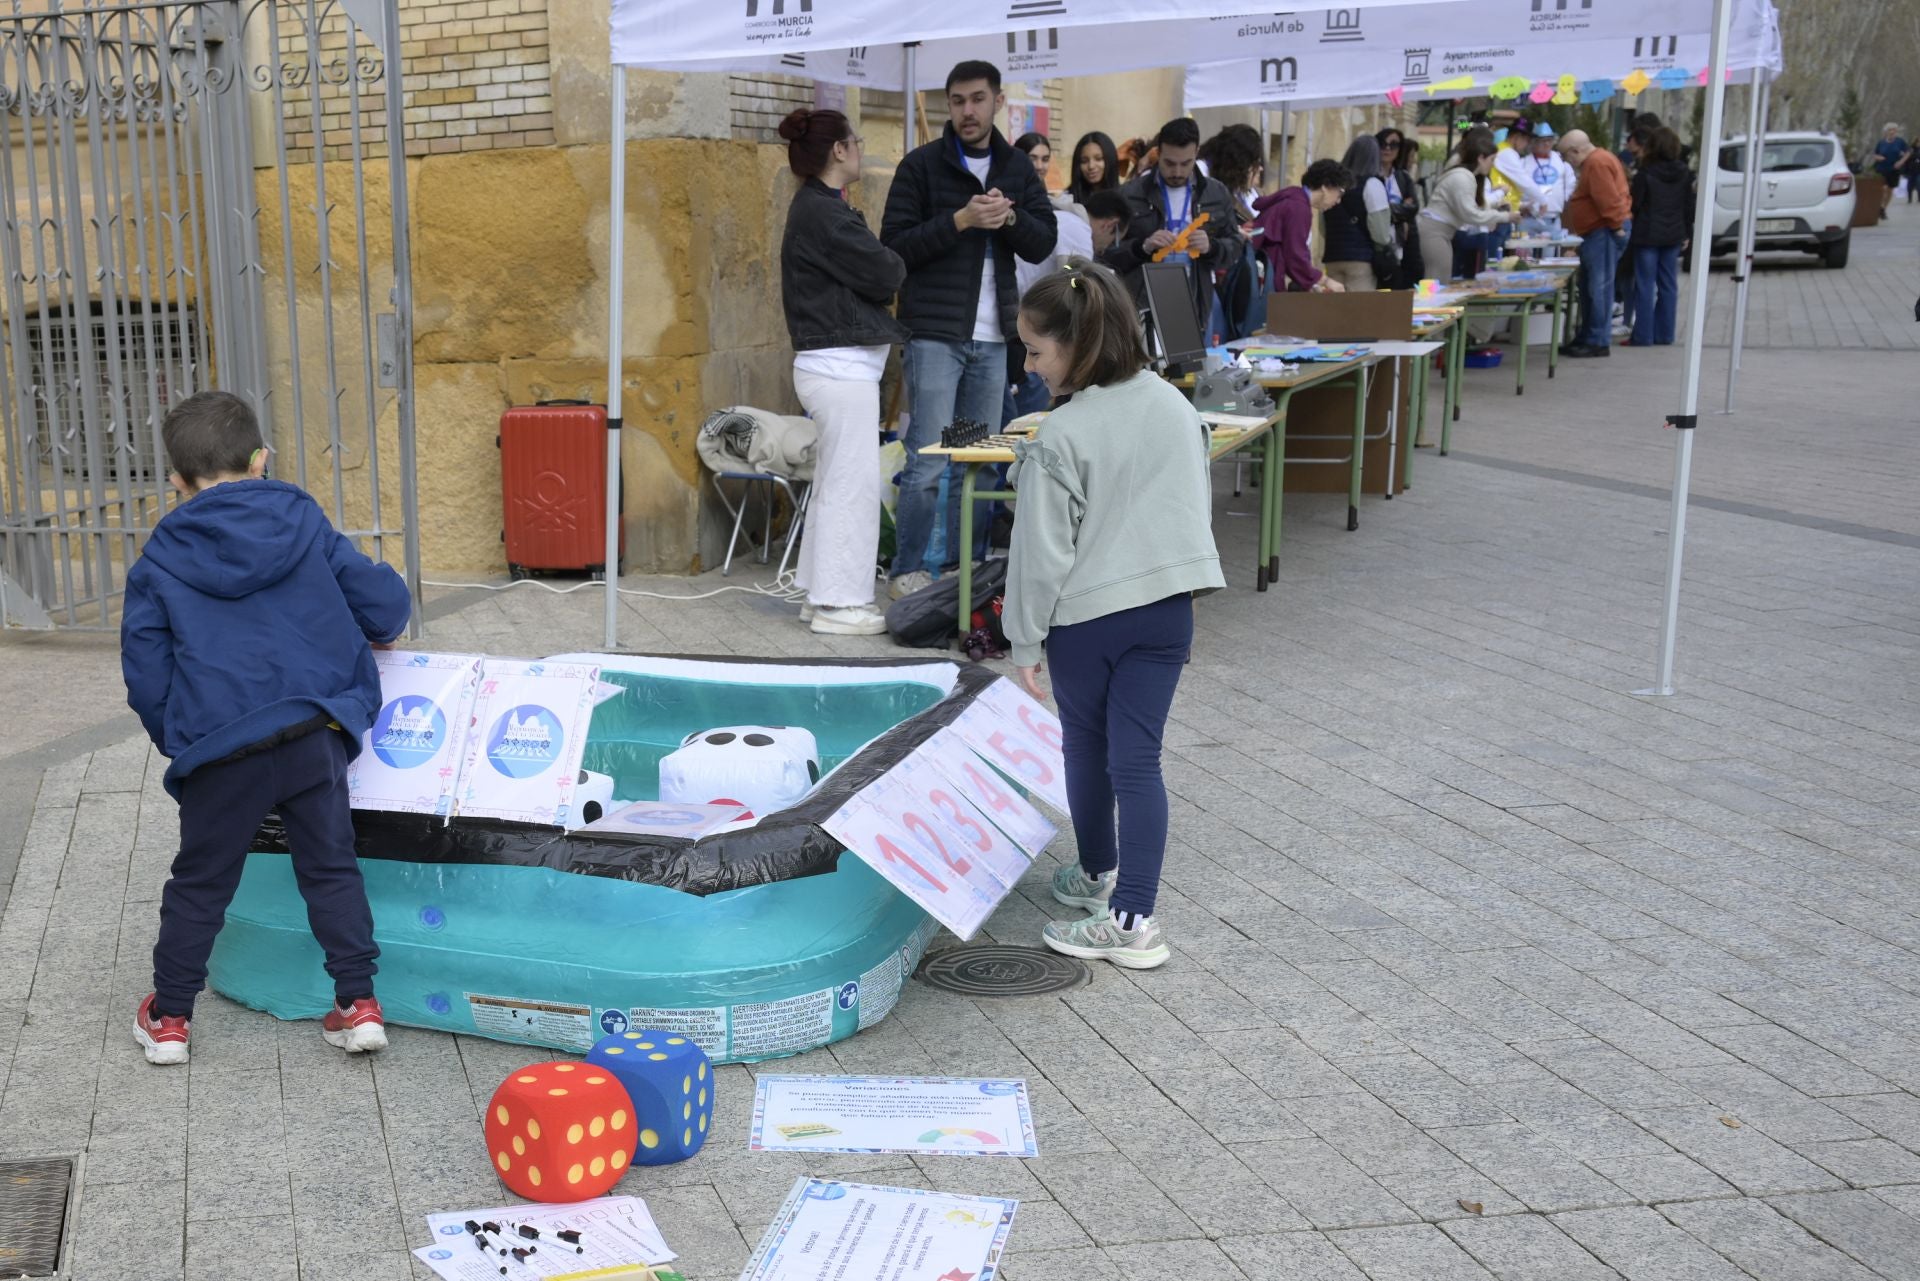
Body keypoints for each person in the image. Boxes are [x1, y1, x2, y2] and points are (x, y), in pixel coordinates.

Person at [122, 390, 412, 1065]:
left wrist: (184, 736)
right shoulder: (302, 519)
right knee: (331, 865)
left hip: (221, 747)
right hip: (314, 729)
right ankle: (358, 1002)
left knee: (201, 881)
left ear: (176, 480)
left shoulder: (158, 560)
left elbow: (145, 672)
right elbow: (383, 608)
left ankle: (169, 1018)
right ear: (261, 459)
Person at [1004, 258, 1225, 970]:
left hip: (1088, 622)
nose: (1031, 365)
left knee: (1085, 749)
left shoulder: (1061, 436)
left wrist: (1023, 640)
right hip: (1168, 613)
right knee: (1139, 761)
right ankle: (1122, 900)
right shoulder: (1175, 406)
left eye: (1037, 350)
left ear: (1078, 344)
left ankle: (1116, 900)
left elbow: (1041, 554)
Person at [880, 60, 1057, 598]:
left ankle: (965, 571)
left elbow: (1042, 241)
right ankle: (908, 571)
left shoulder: (1016, 169)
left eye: (977, 99)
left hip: (992, 339)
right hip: (935, 334)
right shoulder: (921, 165)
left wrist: (1009, 219)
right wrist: (960, 220)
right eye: (957, 101)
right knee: (930, 456)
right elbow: (894, 247)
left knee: (976, 462)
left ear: (998, 101)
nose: (967, 111)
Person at [777, 108, 907, 636]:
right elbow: (886, 272)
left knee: (837, 483)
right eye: (854, 141)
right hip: (839, 368)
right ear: (838, 151)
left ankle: (818, 594)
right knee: (851, 487)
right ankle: (839, 604)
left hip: (837, 367)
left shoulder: (821, 207)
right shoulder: (823, 213)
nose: (858, 148)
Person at [1100, 117, 1244, 338]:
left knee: (1194, 371)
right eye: (1169, 163)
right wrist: (1142, 247)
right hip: (1144, 303)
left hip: (1195, 303)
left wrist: (1212, 247)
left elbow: (1234, 246)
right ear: (1158, 153)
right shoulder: (1130, 194)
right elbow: (1106, 253)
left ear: (1196, 153)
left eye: (1185, 163)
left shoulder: (1216, 193)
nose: (1177, 171)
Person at [1010, 131, 1094, 420]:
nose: (1040, 165)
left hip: (1042, 323)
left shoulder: (1061, 215)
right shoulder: (1009, 206)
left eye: (1045, 158)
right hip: (1012, 322)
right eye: (1032, 158)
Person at [1558, 129, 1631, 358]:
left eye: (1566, 156)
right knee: (1591, 287)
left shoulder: (1596, 163)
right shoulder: (1598, 160)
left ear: (1575, 151)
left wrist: (1617, 228)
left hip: (1603, 231)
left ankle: (1597, 340)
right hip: (1599, 231)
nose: (1567, 162)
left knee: (1598, 288)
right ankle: (1587, 336)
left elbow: (1607, 199)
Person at [1417, 132, 1517, 283]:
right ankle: (1426, 306)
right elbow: (1471, 215)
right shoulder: (1462, 178)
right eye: (1492, 159)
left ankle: (1430, 306)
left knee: (1440, 279)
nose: (1493, 164)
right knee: (1435, 280)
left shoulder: (1467, 177)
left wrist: (1498, 205)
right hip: (1434, 231)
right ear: (1480, 158)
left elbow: (1476, 206)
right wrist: (1505, 217)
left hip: (1440, 231)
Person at [1626, 126, 1694, 347]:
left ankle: (1643, 335)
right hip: (1673, 233)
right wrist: (1686, 232)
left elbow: (1636, 204)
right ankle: (1665, 334)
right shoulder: (1684, 172)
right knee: (1669, 285)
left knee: (1645, 285)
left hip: (1647, 233)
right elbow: (1687, 205)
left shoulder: (1645, 174)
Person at [1251, 159, 1353, 293]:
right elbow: (1295, 255)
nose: (1338, 201)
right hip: (1264, 280)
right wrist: (1325, 280)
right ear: (1326, 186)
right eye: (1340, 193)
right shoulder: (1298, 208)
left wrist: (1312, 282)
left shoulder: (1293, 198)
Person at [1321, 135, 1394, 291]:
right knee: (1359, 312)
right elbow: (1380, 234)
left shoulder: (1333, 185)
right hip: (1362, 260)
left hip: (1332, 256)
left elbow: (1323, 227)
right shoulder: (1372, 184)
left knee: (1335, 311)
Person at [1489, 117, 1548, 260]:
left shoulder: (1503, 151)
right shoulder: (1507, 154)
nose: (1527, 145)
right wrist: (1543, 200)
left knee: (1500, 257)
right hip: (1501, 211)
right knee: (1496, 259)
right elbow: (1524, 181)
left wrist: (1521, 205)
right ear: (1516, 137)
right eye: (1526, 140)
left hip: (1505, 210)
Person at [1376, 126, 1425, 287]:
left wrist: (1388, 210)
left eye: (1394, 145)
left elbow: (1413, 208)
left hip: (1400, 244)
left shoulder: (1401, 177)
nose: (1387, 149)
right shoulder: (1370, 175)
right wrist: (1399, 209)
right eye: (1383, 144)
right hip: (1378, 247)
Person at [1524, 123, 1574, 236]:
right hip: (1528, 219)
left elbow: (1570, 183)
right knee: (1524, 253)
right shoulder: (1524, 163)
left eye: (1549, 140)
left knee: (1550, 253)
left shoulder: (1560, 161)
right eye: (1543, 140)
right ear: (1534, 141)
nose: (1547, 143)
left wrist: (1561, 199)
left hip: (1553, 220)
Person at [1069, 131, 1121, 206]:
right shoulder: (1067, 200)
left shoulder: (1124, 200)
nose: (1091, 166)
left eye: (1098, 159)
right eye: (1084, 161)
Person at [1872, 123, 1910, 220]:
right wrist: (1878, 157)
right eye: (1890, 130)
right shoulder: (1881, 143)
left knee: (1889, 190)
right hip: (1881, 169)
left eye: (1894, 130)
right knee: (1883, 189)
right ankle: (1878, 206)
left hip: (1893, 169)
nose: (1892, 132)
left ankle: (1883, 209)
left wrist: (1901, 162)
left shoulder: (1900, 142)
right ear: (1886, 131)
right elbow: (1875, 154)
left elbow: (1908, 152)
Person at [1083, 189, 1132, 255]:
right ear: (1109, 225)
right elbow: (1069, 266)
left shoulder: (1067, 214)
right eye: (1113, 242)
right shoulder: (1082, 248)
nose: (1103, 250)